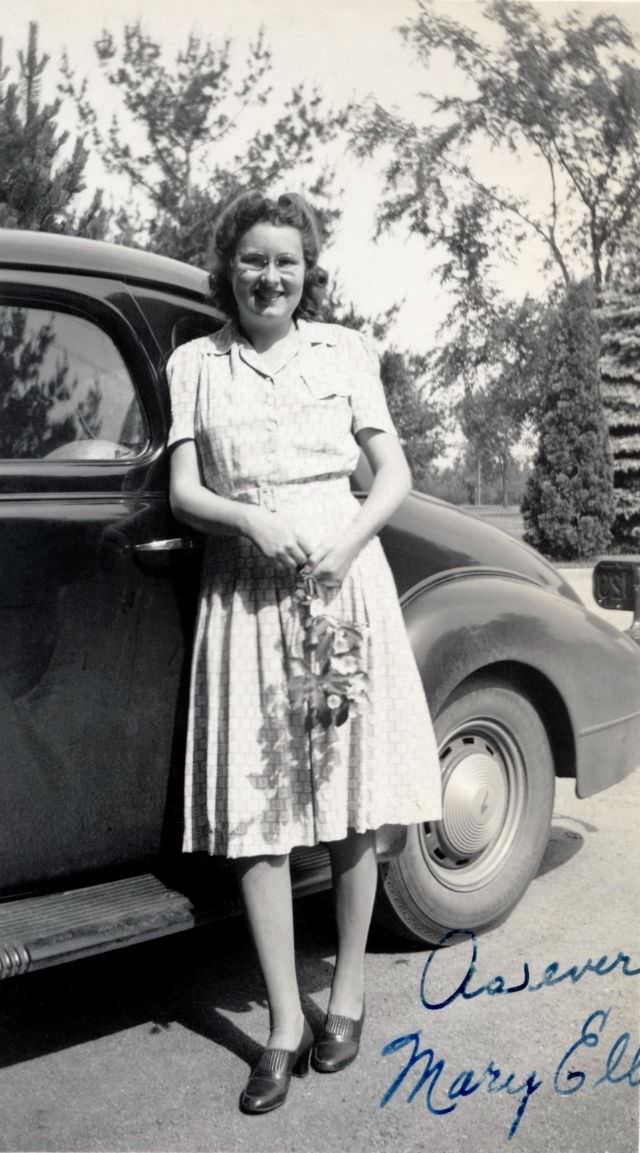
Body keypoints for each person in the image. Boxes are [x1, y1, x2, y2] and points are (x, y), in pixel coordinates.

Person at [166, 190, 442, 1114]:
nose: (269, 277)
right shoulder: (196, 364)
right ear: (228, 268)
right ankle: (283, 1021)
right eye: (253, 260)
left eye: (286, 261)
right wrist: (246, 517)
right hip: (245, 599)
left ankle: (348, 990)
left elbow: (393, 471)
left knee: (353, 802)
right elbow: (183, 491)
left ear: (307, 273)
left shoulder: (345, 353)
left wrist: (350, 539)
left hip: (340, 589)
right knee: (259, 810)